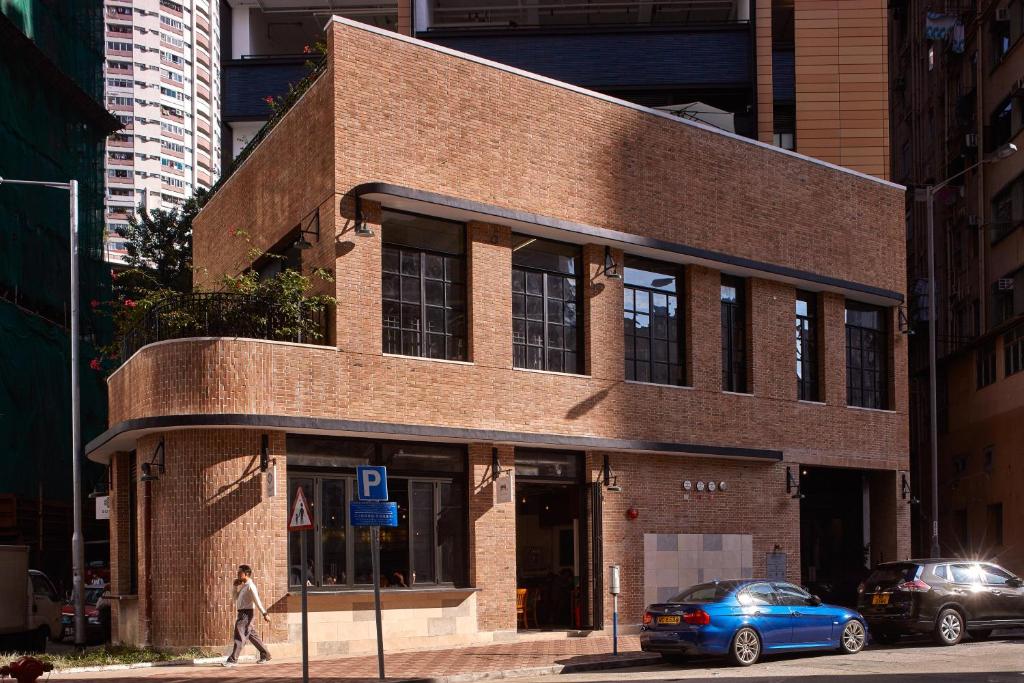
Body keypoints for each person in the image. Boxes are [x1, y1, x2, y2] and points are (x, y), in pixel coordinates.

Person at [224, 565, 271, 666]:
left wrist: (265, 613)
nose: (238, 574)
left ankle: (233, 660)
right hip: (242, 613)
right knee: (252, 635)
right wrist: (235, 586)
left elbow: (257, 600)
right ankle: (265, 654)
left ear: (247, 574)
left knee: (239, 635)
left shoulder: (251, 586)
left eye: (240, 572)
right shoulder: (244, 586)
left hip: (246, 614)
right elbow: (234, 598)